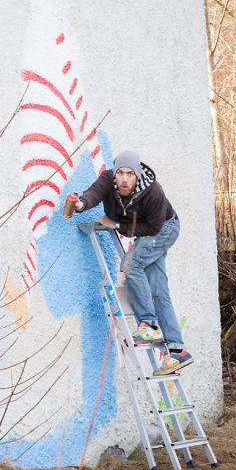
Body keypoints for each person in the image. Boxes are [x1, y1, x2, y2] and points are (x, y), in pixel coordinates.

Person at [73, 150, 193, 374]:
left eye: (130, 174)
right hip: (147, 234)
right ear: (115, 173)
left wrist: (118, 225)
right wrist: (81, 204)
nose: (124, 179)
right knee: (158, 290)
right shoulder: (108, 180)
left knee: (130, 265)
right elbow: (94, 194)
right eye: (120, 173)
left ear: (137, 175)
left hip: (165, 228)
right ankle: (178, 350)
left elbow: (153, 227)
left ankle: (149, 324)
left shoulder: (153, 191)